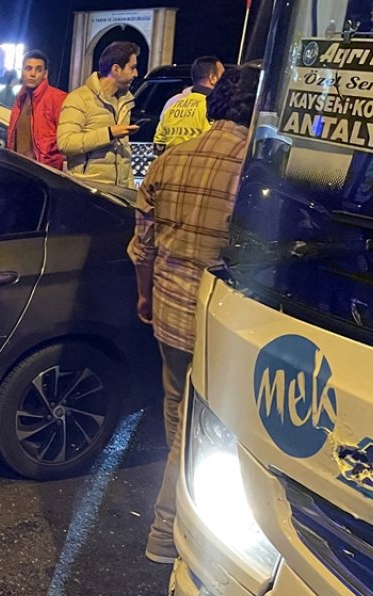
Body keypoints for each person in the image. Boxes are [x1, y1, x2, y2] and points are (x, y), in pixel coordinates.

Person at [128, 65, 259, 565]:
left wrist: (145, 297)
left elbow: (143, 248)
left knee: (178, 416)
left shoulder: (170, 160)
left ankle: (178, 517)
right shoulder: (255, 167)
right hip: (224, 321)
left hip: (169, 309)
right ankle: (168, 531)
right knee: (204, 429)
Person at [57, 41, 139, 188]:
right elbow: (66, 143)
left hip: (119, 193)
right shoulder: (79, 99)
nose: (136, 73)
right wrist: (109, 133)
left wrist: (130, 190)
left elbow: (123, 154)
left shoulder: (124, 101)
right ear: (116, 69)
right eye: (132, 68)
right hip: (88, 191)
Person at [7, 50, 67, 169]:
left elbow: (66, 140)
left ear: (45, 74)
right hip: (18, 170)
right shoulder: (20, 99)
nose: (33, 74)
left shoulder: (58, 98)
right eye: (28, 68)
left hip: (45, 172)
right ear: (22, 72)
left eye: (38, 70)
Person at [153, 56, 224, 154]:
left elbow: (158, 145)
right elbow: (216, 145)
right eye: (222, 76)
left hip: (171, 166)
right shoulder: (213, 108)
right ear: (212, 78)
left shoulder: (172, 107)